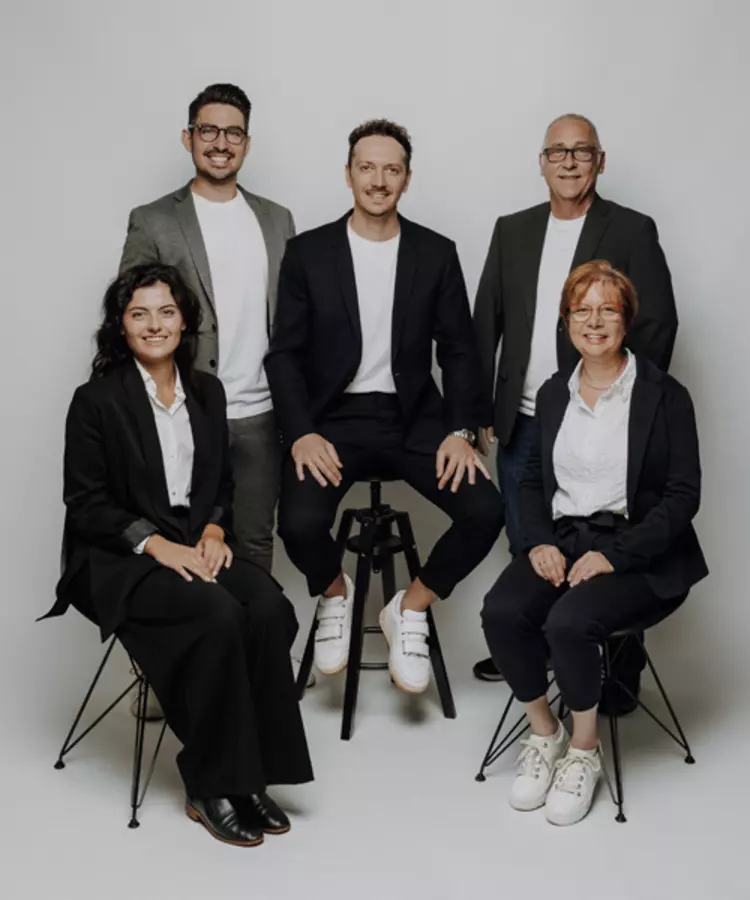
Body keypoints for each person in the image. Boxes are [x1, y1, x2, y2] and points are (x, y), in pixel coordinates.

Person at [41, 263, 313, 847]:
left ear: (184, 320)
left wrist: (214, 531)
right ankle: (212, 782)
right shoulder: (95, 400)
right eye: (139, 313)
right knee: (218, 615)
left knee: (269, 608)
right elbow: (85, 503)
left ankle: (252, 774)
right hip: (120, 558)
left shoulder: (207, 392)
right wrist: (157, 545)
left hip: (193, 544)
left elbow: (220, 485)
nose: (154, 324)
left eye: (166, 311)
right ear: (120, 325)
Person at [265, 119, 503, 695]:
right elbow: (285, 355)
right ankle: (335, 595)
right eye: (367, 168)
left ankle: (410, 608)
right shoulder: (308, 253)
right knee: (297, 523)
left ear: (407, 178)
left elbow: (459, 350)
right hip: (331, 422)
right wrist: (301, 432)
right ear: (348, 174)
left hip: (414, 420)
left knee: (485, 511)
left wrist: (460, 431)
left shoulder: (436, 252)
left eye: (391, 169)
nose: (378, 180)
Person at [480, 261, 707, 826]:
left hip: (640, 552)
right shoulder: (553, 394)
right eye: (581, 310)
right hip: (565, 539)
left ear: (627, 319)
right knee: (502, 611)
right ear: (566, 321)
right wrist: (538, 541)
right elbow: (529, 481)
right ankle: (545, 732)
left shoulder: (665, 395)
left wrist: (612, 556)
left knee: (569, 623)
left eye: (608, 309)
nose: (594, 321)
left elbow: (683, 496)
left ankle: (584, 751)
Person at [471, 113, 678, 702]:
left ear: (599, 161)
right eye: (557, 152)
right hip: (524, 421)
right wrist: (480, 410)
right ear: (541, 163)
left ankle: (616, 675)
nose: (568, 162)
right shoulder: (512, 230)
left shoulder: (631, 229)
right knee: (532, 546)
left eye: (580, 151)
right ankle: (533, 653)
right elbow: (486, 323)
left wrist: (624, 404)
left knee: (610, 549)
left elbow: (658, 322)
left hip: (603, 418)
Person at [120, 83, 292, 575]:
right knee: (182, 544)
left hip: (259, 413)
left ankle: (254, 628)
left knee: (254, 543)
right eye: (209, 130)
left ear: (247, 143)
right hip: (183, 408)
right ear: (188, 137)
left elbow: (292, 318)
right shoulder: (153, 220)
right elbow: (130, 316)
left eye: (233, 133)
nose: (221, 143)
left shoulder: (276, 220)